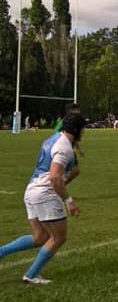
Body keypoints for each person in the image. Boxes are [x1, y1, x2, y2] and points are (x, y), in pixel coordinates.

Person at [0, 113, 86, 284]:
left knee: (40, 237)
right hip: (45, 193)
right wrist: (69, 201)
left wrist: (63, 181)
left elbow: (72, 170)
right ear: (76, 129)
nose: (85, 132)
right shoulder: (64, 148)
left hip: (31, 190)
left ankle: (1, 252)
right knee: (58, 238)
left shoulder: (54, 139)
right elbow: (55, 177)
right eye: (83, 128)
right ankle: (31, 276)